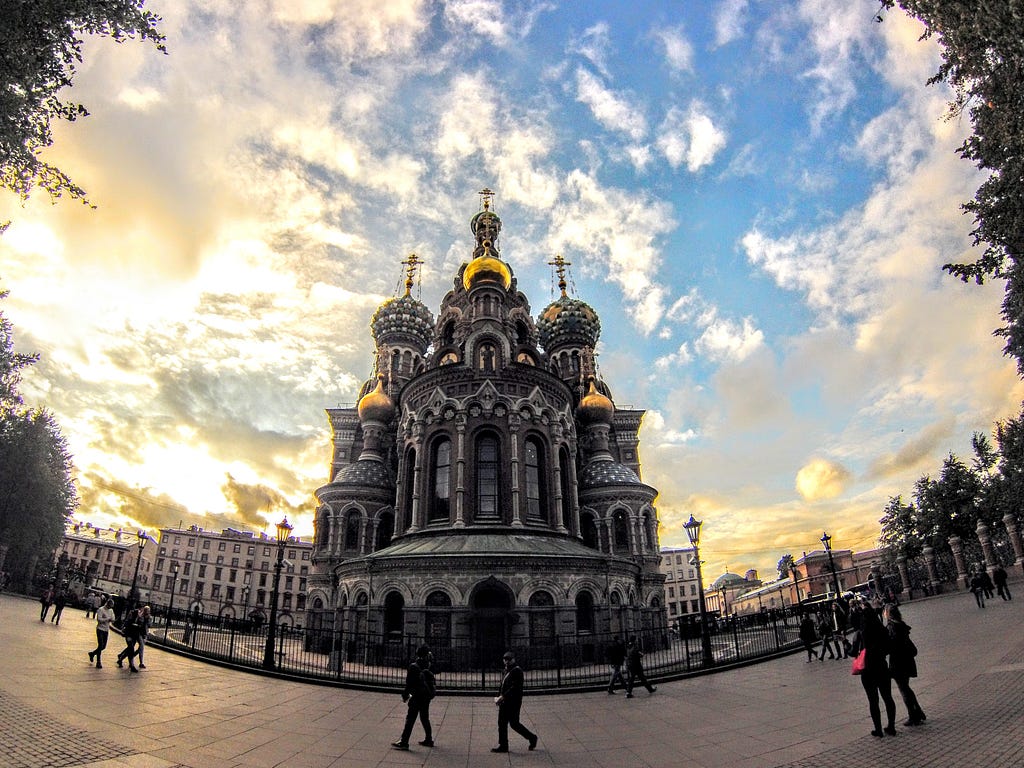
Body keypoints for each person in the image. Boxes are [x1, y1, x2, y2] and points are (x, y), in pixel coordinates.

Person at [856, 599, 897, 737]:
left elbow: (852, 651)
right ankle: (891, 726)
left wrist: (844, 641)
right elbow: (889, 647)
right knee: (887, 697)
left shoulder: (861, 634)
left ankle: (878, 729)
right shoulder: (881, 629)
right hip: (881, 666)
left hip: (868, 669)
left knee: (873, 701)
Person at [884, 604, 926, 727]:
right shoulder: (900, 624)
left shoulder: (891, 627)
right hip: (907, 660)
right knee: (906, 687)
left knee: (903, 689)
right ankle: (918, 712)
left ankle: (913, 715)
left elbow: (892, 645)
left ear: (887, 613)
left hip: (898, 662)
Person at [491, 651, 538, 753]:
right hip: (505, 702)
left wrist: (503, 697)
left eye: (509, 659)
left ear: (513, 659)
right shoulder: (507, 670)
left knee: (513, 724)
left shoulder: (517, 671)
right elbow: (503, 685)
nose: (506, 661)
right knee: (504, 723)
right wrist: (499, 696)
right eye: (505, 659)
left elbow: (515, 688)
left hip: (513, 702)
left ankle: (531, 738)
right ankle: (504, 745)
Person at [392, 645, 435, 750]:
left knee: (410, 718)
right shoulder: (428, 665)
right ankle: (429, 739)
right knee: (425, 718)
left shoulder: (413, 666)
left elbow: (409, 684)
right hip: (426, 696)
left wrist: (405, 695)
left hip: (416, 696)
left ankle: (404, 741)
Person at [88, 598, 115, 669]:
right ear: (107, 604)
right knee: (100, 645)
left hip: (106, 630)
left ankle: (92, 653)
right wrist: (107, 619)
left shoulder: (111, 610)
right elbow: (99, 620)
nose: (110, 608)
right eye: (109, 606)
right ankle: (98, 661)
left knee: (103, 646)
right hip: (100, 629)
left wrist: (111, 619)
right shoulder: (101, 610)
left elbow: (113, 618)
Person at [117, 606, 142, 672]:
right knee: (131, 649)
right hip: (129, 636)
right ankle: (132, 665)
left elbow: (140, 627)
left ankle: (120, 659)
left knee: (129, 649)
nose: (140, 613)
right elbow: (128, 627)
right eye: (139, 612)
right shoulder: (131, 620)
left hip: (134, 637)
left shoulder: (139, 620)